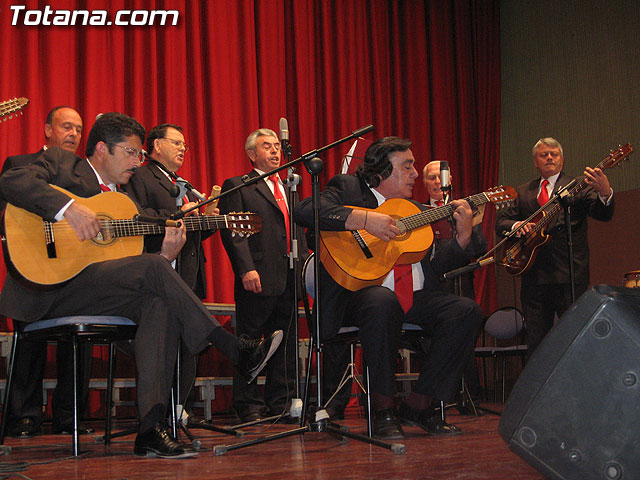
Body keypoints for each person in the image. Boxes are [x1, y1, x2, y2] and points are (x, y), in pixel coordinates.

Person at [0, 112, 282, 458]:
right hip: (47, 289)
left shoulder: (125, 205)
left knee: (157, 302)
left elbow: (135, 271)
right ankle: (232, 348)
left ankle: (151, 428)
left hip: (96, 294)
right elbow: (12, 181)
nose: (139, 161)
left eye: (140, 154)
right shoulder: (62, 165)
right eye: (132, 153)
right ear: (102, 149)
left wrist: (166, 255)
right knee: (152, 273)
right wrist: (67, 209)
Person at [293, 136, 483, 439]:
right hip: (355, 298)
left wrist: (461, 239)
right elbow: (304, 210)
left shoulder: (414, 209)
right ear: (381, 171)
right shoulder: (348, 188)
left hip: (412, 298)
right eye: (407, 167)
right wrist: (365, 219)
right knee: (382, 301)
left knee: (465, 311)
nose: (416, 174)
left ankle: (419, 404)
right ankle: (382, 410)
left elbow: (431, 266)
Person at [0, 106, 93, 438]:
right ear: (47, 130)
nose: (73, 134)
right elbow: (10, 219)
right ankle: (24, 416)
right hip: (33, 269)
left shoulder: (86, 174)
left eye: (79, 130)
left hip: (75, 270)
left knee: (78, 344)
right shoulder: (19, 165)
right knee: (29, 347)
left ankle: (71, 416)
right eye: (66, 127)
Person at [218, 128, 307, 424]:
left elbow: (297, 232)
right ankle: (247, 403)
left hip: (289, 276)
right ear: (252, 154)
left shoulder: (289, 187)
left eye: (276, 146)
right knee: (250, 341)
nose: (274, 151)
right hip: (257, 274)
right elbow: (234, 233)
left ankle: (280, 400)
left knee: (286, 341)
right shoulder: (239, 186)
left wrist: (305, 270)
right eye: (266, 147)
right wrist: (245, 268)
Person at [495, 137, 614, 356]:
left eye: (554, 154)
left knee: (575, 339)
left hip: (569, 275)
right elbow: (500, 223)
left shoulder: (577, 185)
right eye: (544, 155)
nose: (549, 157)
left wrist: (605, 193)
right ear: (535, 162)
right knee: (537, 344)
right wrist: (516, 225)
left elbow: (602, 213)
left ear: (562, 159)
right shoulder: (523, 192)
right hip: (533, 277)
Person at [123, 123, 211, 416]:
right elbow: (137, 217)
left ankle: (180, 406)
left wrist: (207, 220)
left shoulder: (182, 184)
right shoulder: (140, 176)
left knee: (189, 345)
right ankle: (160, 409)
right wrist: (177, 215)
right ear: (156, 145)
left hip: (188, 273)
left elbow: (190, 232)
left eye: (185, 145)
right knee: (163, 344)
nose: (182, 149)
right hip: (158, 270)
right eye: (176, 143)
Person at [423, 160, 487, 405]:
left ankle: (469, 397)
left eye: (441, 177)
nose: (437, 182)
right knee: (432, 341)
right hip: (432, 283)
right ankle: (436, 398)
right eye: (431, 178)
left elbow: (480, 247)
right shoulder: (418, 211)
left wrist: (463, 233)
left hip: (460, 280)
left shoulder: (466, 208)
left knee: (464, 335)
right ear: (425, 183)